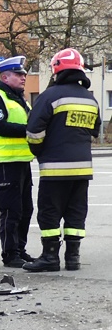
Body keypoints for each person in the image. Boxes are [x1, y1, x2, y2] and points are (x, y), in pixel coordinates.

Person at [23, 48, 100, 272]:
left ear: (57, 70)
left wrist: (38, 151)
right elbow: (95, 130)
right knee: (76, 212)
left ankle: (50, 258)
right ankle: (73, 259)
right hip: (82, 169)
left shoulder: (50, 96)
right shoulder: (90, 98)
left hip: (55, 169)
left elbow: (34, 131)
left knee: (50, 213)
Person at [0, 56, 34, 268]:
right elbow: (1, 127)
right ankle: (10, 253)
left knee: (26, 209)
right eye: (19, 74)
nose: (24, 77)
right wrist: (29, 131)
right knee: (10, 211)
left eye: (24, 74)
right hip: (6, 163)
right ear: (5, 77)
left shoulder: (21, 100)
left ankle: (20, 249)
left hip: (23, 161)